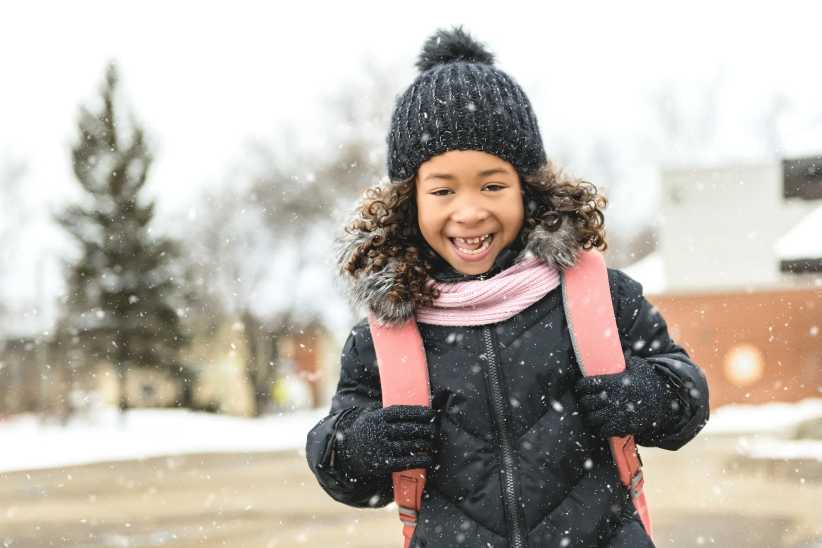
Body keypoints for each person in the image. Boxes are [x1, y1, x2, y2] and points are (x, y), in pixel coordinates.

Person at [306, 26, 709, 548]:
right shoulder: (386, 334)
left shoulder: (595, 298)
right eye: (443, 189)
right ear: (411, 202)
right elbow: (337, 461)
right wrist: (362, 445)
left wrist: (649, 397)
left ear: (528, 189)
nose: (469, 211)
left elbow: (687, 393)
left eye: (493, 185)